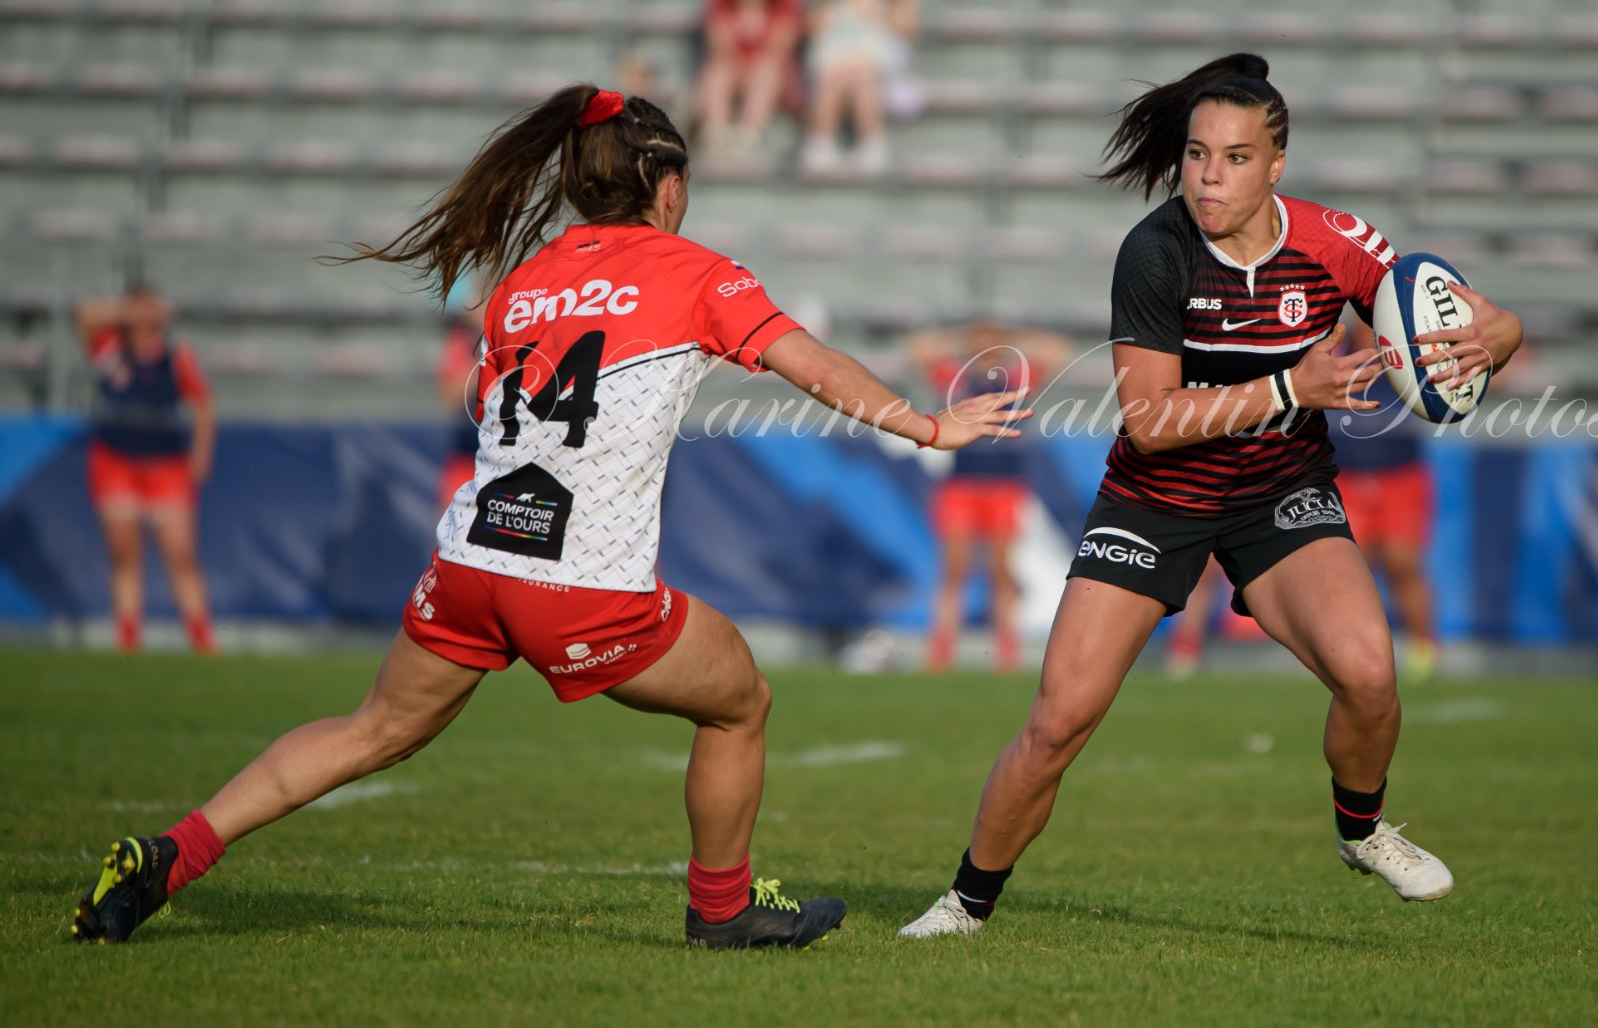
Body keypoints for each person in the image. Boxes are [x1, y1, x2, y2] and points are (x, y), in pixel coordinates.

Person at [71, 85, 1027, 949]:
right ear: (665, 182)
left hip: (473, 560)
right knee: (740, 698)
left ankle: (172, 853)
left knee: (370, 728)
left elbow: (488, 403)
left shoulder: (522, 284)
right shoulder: (697, 272)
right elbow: (808, 362)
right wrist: (927, 425)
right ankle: (723, 909)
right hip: (581, 582)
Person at [898, 54, 1524, 939]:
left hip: (1280, 490)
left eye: (1234, 158)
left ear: (1276, 166)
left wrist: (1493, 334)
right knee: (1058, 722)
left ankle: (1362, 828)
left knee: (1372, 677)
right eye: (1196, 155)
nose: (1208, 176)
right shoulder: (1155, 252)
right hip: (1155, 497)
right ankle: (965, 903)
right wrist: (1287, 390)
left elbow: (1485, 319)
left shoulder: (1333, 240)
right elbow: (1149, 420)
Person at [905, 321, 1069, 673]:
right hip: (962, 486)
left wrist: (1011, 337)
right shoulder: (957, 378)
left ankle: (1006, 653)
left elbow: (1057, 350)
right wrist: (961, 337)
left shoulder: (1015, 379)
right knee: (954, 572)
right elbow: (918, 348)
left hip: (1005, 486)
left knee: (1001, 572)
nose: (986, 344)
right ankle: (941, 652)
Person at [77, 285, 216, 656]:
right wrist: (131, 310)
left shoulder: (175, 357)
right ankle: (128, 640)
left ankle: (202, 640)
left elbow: (203, 404)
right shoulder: (109, 350)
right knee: (125, 554)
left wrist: (200, 455)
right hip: (115, 462)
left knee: (181, 554)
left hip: (166, 465)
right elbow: (85, 313)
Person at [1331, 356, 1440, 680]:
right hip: (1345, 475)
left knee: (1402, 563)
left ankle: (1424, 649)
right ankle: (1344, 653)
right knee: (1349, 571)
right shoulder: (1337, 352)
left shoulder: (1409, 357)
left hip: (1400, 475)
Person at [803, 0, 920, 178]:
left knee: (859, 72)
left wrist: (875, 7)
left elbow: (906, 28)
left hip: (877, 58)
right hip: (836, 60)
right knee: (839, 72)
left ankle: (870, 141)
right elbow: (813, 29)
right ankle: (821, 142)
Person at [694, 0, 805, 159]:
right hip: (737, 71)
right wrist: (741, 66)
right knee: (718, 70)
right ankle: (717, 134)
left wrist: (746, 65)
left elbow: (780, 47)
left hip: (776, 78)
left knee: (767, 69)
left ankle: (747, 136)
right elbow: (719, 43)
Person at [434, 296, 486, 514]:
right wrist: (481, 358)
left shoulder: (515, 340)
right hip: (467, 454)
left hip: (506, 457)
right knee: (451, 526)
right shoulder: (464, 341)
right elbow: (450, 397)